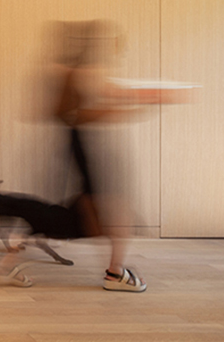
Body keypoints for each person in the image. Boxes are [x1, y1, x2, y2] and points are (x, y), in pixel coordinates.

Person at [53, 19, 153, 293]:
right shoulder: (83, 72)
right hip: (92, 149)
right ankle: (115, 272)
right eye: (113, 41)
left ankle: (115, 270)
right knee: (116, 212)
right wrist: (141, 103)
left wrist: (137, 100)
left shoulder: (78, 72)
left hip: (88, 148)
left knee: (105, 211)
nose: (119, 46)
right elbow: (89, 111)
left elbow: (103, 99)